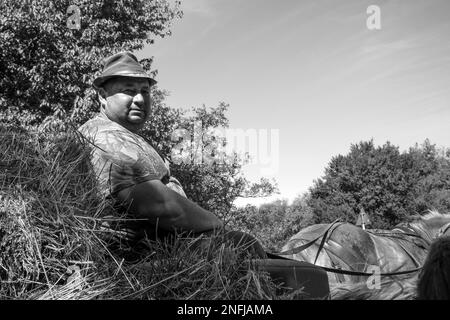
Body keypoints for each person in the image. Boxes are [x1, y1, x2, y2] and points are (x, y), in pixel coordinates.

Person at [78, 51, 330, 298]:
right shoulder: (106, 137)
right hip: (145, 260)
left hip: (160, 249)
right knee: (263, 254)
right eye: (129, 90)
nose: (141, 99)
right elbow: (158, 206)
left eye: (145, 91)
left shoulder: (121, 134)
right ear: (103, 95)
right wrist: (216, 224)